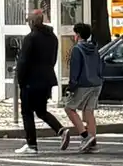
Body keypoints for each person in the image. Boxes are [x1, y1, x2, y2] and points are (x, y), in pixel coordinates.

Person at [12, 10, 61, 155]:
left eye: (28, 20)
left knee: (27, 112)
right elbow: (53, 59)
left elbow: (23, 61)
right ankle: (60, 129)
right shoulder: (52, 37)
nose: (28, 23)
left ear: (33, 22)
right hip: (46, 80)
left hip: (30, 81)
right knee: (41, 110)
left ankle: (32, 144)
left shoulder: (30, 38)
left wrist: (20, 80)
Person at [61, 21, 104, 153]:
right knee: (89, 112)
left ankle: (85, 136)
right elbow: (100, 67)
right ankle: (93, 143)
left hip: (83, 83)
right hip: (96, 83)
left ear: (77, 35)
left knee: (69, 108)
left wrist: (71, 87)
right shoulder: (94, 48)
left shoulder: (77, 49)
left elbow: (75, 70)